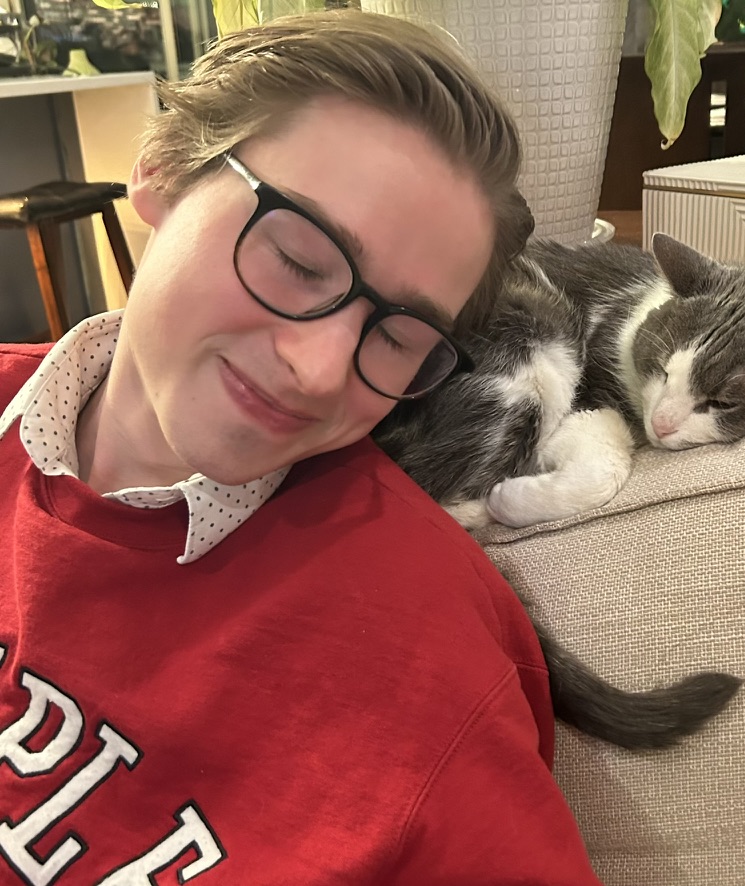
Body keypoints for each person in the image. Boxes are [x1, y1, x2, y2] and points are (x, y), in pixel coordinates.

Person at [0, 11, 603, 884]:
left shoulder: (423, 657)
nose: (321, 372)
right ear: (164, 171)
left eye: (397, 336)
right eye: (298, 257)